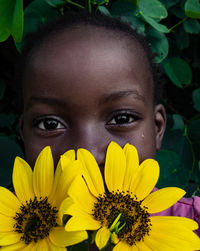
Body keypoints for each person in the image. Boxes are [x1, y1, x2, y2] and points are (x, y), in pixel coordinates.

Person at [16, 10, 200, 240]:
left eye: (121, 119)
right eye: (50, 123)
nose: (87, 154)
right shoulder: (13, 231)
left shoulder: (193, 226)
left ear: (157, 128)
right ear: (24, 134)